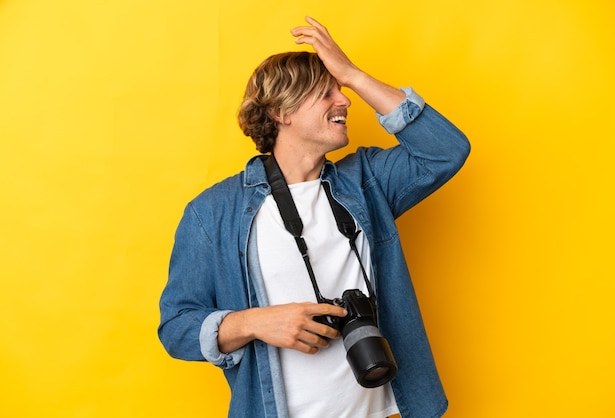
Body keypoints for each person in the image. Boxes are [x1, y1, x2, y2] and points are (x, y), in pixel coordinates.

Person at [158, 16, 470, 418]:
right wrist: (254, 323)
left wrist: (353, 74)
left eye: (340, 91)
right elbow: (177, 328)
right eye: (326, 94)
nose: (344, 101)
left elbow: (446, 151)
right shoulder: (214, 212)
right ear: (282, 113)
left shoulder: (366, 181)